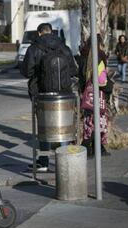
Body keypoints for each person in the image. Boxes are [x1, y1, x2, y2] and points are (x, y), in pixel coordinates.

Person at [20, 23, 77, 172]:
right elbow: (73, 70)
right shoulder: (63, 48)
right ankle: (65, 162)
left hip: (41, 94)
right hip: (64, 94)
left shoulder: (34, 48)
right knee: (64, 126)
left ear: (39, 33)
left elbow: (27, 72)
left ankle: (44, 162)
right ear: (51, 32)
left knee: (44, 128)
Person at [79, 34, 113, 157]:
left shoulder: (83, 54)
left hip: (87, 92)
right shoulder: (100, 55)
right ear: (99, 43)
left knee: (89, 120)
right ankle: (95, 147)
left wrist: (82, 90)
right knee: (99, 120)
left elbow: (81, 75)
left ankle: (89, 147)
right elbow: (102, 78)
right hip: (99, 92)